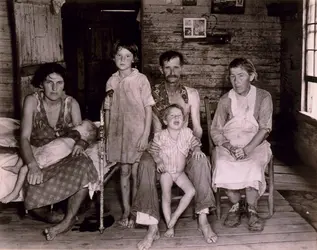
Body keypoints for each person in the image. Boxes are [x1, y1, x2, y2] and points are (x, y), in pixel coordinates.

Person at [132, 50, 217, 250]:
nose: (172, 72)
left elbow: (196, 127)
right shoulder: (153, 94)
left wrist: (196, 147)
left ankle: (203, 219)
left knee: (201, 161)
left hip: (185, 144)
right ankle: (152, 226)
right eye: (167, 67)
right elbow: (154, 129)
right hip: (160, 144)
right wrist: (158, 153)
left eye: (176, 67)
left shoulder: (191, 94)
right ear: (161, 69)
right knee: (144, 165)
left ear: (182, 68)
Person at [19, 63, 98, 240]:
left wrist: (82, 144)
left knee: (85, 164)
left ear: (64, 85)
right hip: (42, 157)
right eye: (49, 82)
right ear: (41, 83)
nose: (54, 88)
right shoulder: (32, 101)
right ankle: (65, 216)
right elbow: (23, 138)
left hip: (65, 155)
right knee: (34, 207)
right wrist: (32, 165)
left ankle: (66, 222)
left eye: (59, 83)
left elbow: (84, 134)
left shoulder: (72, 104)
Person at [210, 58, 273, 232]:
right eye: (232, 76)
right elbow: (216, 130)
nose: (236, 81)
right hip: (230, 143)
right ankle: (235, 206)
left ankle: (252, 208)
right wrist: (229, 147)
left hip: (255, 142)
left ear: (251, 76)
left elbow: (265, 128)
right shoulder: (225, 100)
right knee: (223, 163)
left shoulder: (263, 97)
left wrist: (247, 150)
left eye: (241, 75)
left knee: (252, 164)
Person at [104, 39, 155, 228]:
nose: (122, 59)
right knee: (123, 171)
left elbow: (148, 109)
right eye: (119, 55)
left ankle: (135, 211)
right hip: (119, 133)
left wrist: (145, 135)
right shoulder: (111, 80)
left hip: (136, 132)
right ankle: (125, 209)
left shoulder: (141, 80)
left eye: (127, 56)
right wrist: (109, 134)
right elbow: (108, 109)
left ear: (134, 59)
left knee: (135, 172)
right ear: (114, 58)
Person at [0, 120, 98, 204]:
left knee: (24, 169)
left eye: (80, 125)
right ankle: (16, 167)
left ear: (85, 134)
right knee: (26, 147)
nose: (77, 124)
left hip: (49, 155)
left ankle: (15, 193)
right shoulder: (74, 136)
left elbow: (77, 145)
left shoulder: (77, 136)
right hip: (46, 149)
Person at [149, 104, 205, 238]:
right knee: (166, 196)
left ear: (184, 120)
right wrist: (158, 161)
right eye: (172, 116)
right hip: (166, 173)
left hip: (180, 173)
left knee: (191, 191)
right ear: (165, 121)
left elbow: (195, 143)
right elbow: (153, 151)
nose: (176, 118)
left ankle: (175, 216)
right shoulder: (161, 136)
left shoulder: (187, 133)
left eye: (179, 116)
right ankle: (170, 226)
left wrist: (197, 149)